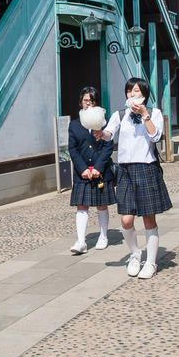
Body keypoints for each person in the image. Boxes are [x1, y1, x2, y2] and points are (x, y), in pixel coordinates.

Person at [98, 77, 172, 279]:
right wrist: (99, 132)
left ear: (145, 94)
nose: (132, 94)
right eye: (129, 91)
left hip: (146, 169)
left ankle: (151, 262)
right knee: (126, 219)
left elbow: (156, 136)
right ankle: (135, 254)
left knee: (149, 218)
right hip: (125, 171)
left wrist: (145, 115)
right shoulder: (120, 114)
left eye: (136, 91)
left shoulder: (154, 112)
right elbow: (108, 134)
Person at [68, 86, 116, 254]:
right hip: (82, 172)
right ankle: (81, 241)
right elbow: (72, 149)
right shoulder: (74, 125)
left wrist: (98, 168)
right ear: (81, 103)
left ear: (97, 104)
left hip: (100, 170)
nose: (89, 104)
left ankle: (103, 236)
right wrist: (82, 169)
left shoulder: (106, 122)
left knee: (101, 205)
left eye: (92, 101)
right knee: (81, 205)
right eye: (86, 101)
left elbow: (108, 147)